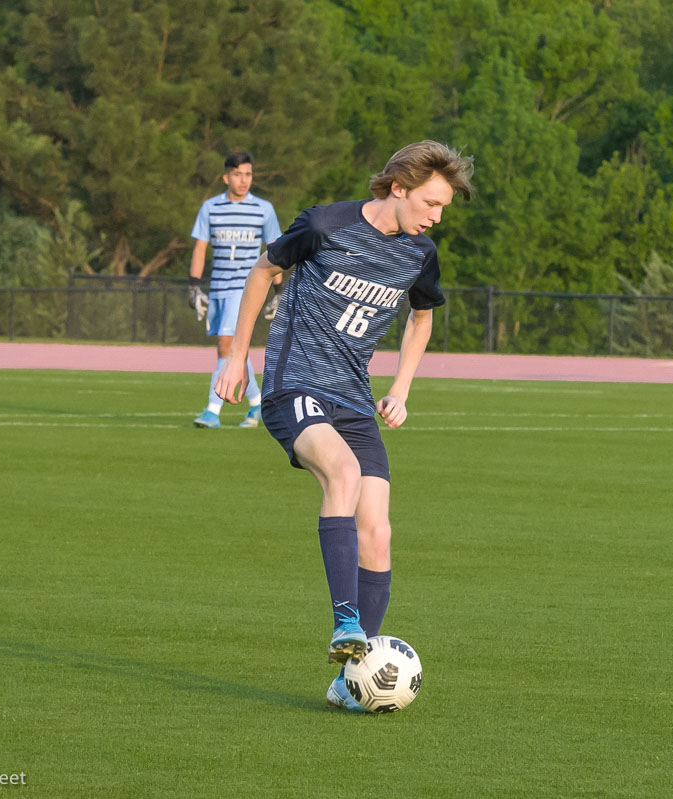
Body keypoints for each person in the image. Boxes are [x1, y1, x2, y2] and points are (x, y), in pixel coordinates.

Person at [214, 141, 473, 711]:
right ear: (399, 187)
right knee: (344, 472)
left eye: (444, 208)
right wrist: (236, 356)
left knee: (378, 531)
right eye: (431, 202)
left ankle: (349, 677)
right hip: (294, 385)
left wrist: (401, 389)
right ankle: (346, 625)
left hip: (354, 399)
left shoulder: (420, 254)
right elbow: (263, 271)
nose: (436, 216)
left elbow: (421, 319)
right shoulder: (325, 224)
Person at [187, 151, 282, 428]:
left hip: (246, 288)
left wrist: (278, 290)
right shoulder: (210, 208)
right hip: (219, 287)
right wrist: (194, 285)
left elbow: (275, 251)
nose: (244, 180)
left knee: (226, 349)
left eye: (249, 174)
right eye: (238, 174)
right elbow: (200, 247)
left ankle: (212, 411)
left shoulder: (263, 209)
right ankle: (257, 406)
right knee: (235, 351)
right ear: (226, 177)